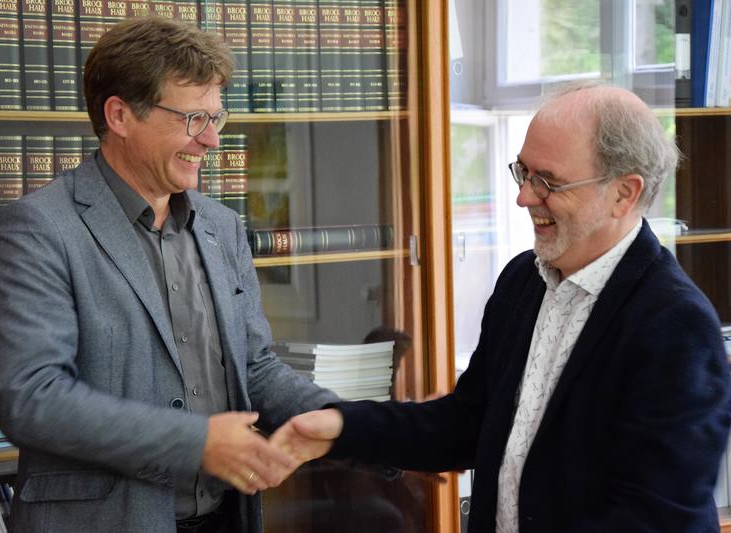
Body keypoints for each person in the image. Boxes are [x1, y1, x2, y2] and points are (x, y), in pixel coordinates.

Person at [272, 82, 731, 532]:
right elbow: (469, 422)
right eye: (523, 172)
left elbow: (655, 516)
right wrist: (341, 426)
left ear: (623, 194)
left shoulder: (676, 325)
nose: (524, 196)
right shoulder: (522, 281)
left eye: (548, 181)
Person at [0, 17, 338, 533]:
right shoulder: (37, 229)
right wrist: (197, 443)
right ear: (121, 114)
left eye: (216, 117)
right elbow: (34, 398)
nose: (212, 140)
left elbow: (254, 368)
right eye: (193, 120)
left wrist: (349, 423)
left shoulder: (221, 225)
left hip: (224, 518)